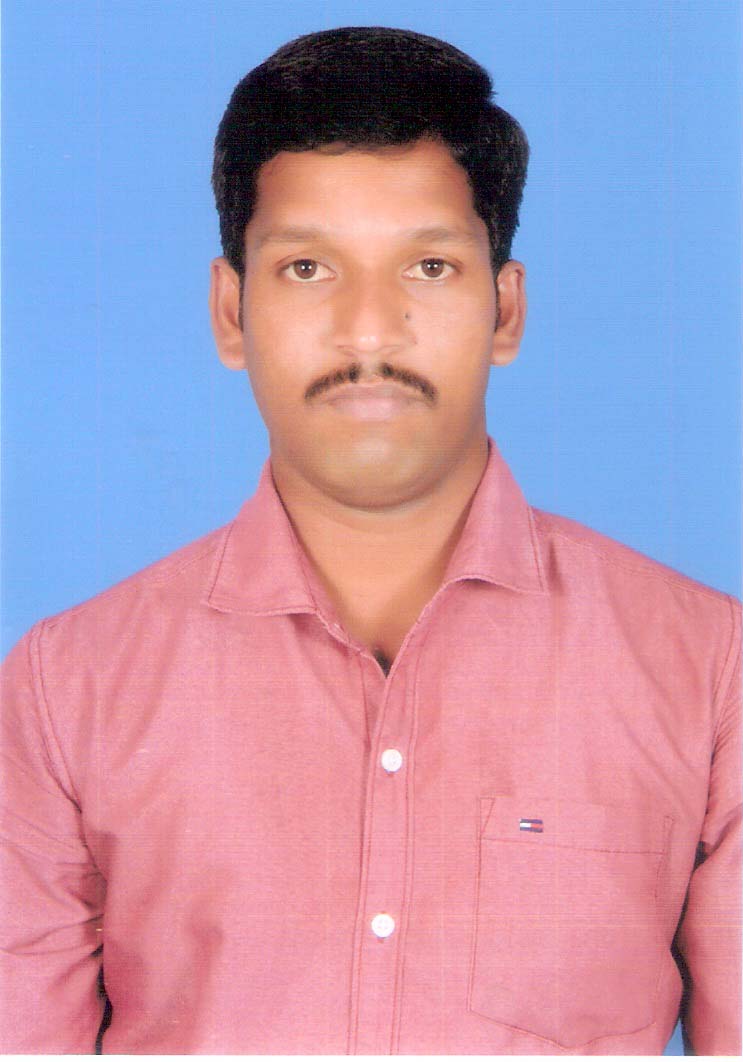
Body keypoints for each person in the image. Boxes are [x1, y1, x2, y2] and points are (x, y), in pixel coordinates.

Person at [1, 25, 740, 1055]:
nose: (367, 329)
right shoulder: (67, 689)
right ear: (230, 311)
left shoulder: (706, 671)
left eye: (428, 266)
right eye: (307, 267)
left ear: (503, 310)